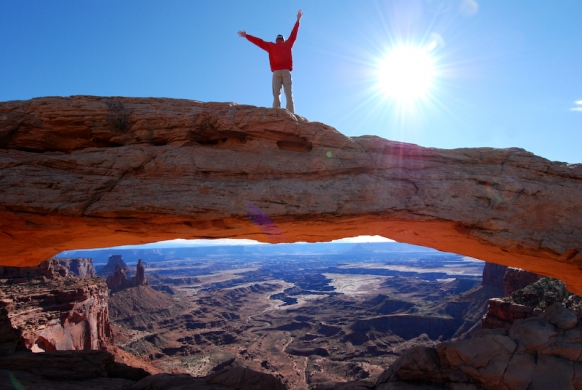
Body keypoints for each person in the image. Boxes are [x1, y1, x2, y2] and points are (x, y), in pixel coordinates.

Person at [238, 10, 303, 114]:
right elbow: (293, 34)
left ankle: (275, 115)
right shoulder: (288, 44)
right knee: (289, 95)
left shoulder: (271, 46)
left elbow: (259, 42)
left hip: (276, 73)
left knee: (276, 95)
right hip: (286, 72)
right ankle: (291, 116)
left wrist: (247, 36)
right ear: (283, 39)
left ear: (276, 40)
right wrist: (298, 20)